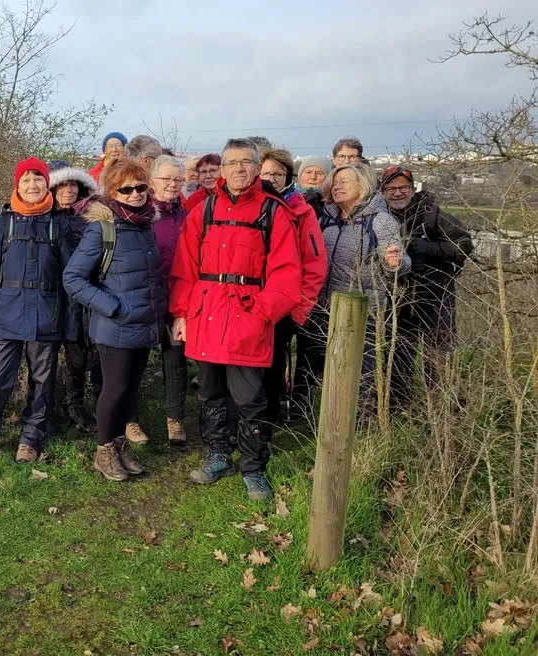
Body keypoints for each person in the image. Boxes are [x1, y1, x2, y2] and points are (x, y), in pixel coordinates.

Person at [168, 138, 301, 501]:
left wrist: (260, 313)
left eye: (246, 162)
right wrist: (182, 313)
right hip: (206, 314)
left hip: (248, 318)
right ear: (222, 169)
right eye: (232, 163)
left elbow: (287, 274)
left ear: (258, 169)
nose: (239, 169)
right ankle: (218, 455)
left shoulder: (274, 213)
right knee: (210, 391)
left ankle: (253, 466)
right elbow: (185, 267)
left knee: (250, 397)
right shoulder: (204, 210)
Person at [63, 158, 168, 481]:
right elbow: (73, 278)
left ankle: (120, 445)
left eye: (141, 187)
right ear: (112, 192)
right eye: (127, 189)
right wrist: (113, 307)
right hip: (116, 327)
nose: (136, 194)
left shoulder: (145, 224)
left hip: (144, 323)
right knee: (115, 388)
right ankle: (103, 451)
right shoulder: (102, 228)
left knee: (131, 389)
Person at [0, 159, 75, 464]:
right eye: (27, 180)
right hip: (5, 314)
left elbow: (69, 278)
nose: (33, 185)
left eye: (38, 179)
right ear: (18, 185)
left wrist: (69, 326)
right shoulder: (2, 224)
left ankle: (31, 437)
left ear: (47, 184)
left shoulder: (59, 225)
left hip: (47, 315)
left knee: (42, 380)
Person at [296, 161, 409, 415]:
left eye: (344, 181)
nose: (337, 186)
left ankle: (361, 425)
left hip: (363, 311)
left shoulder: (380, 221)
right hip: (325, 308)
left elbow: (400, 263)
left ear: (362, 186)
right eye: (334, 182)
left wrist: (396, 261)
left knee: (361, 372)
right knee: (330, 370)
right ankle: (328, 420)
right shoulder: (325, 218)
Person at [379, 166, 472, 408]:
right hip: (397, 298)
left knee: (440, 355)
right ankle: (399, 410)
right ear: (382, 191)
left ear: (412, 189)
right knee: (399, 354)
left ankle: (442, 411)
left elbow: (463, 244)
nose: (397, 193)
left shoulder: (431, 213)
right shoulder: (380, 216)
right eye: (391, 188)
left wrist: (431, 249)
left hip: (436, 295)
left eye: (403, 188)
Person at [258, 148, 327, 423]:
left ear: (289, 176)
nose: (272, 179)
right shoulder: (246, 204)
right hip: (247, 298)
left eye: (278, 173)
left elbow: (315, 264)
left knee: (275, 365)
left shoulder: (301, 210)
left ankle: (268, 422)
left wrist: (300, 310)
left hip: (283, 305)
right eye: (266, 173)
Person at [48, 160, 101, 432]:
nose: (68, 190)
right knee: (61, 355)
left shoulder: (91, 216)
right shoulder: (45, 217)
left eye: (72, 184)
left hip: (88, 293)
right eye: (62, 185)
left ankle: (87, 403)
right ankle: (66, 404)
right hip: (54, 295)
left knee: (87, 352)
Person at [148, 155, 190, 445]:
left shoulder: (187, 217)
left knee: (175, 358)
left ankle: (175, 418)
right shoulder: (142, 213)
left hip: (177, 298)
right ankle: (129, 419)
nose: (173, 184)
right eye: (167, 179)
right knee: (135, 360)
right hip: (146, 296)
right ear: (152, 181)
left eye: (178, 179)